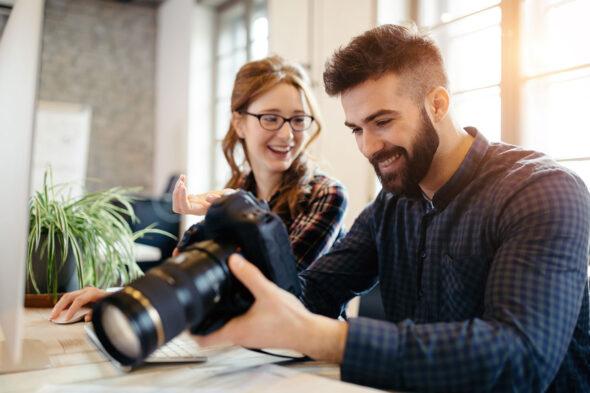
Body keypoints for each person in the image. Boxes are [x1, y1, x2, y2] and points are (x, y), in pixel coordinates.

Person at [193, 25, 590, 392]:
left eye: (382, 122)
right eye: (356, 129)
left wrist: (322, 336)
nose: (367, 147)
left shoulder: (542, 192)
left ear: (437, 104)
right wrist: (235, 250)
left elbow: (518, 358)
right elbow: (312, 292)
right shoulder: (393, 204)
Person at [50, 56, 347, 322]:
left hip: (311, 359)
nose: (287, 134)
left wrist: (235, 208)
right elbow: (191, 268)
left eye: (298, 120)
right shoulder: (239, 189)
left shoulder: (326, 196)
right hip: (249, 351)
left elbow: (278, 288)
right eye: (270, 118)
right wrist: (124, 296)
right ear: (239, 123)